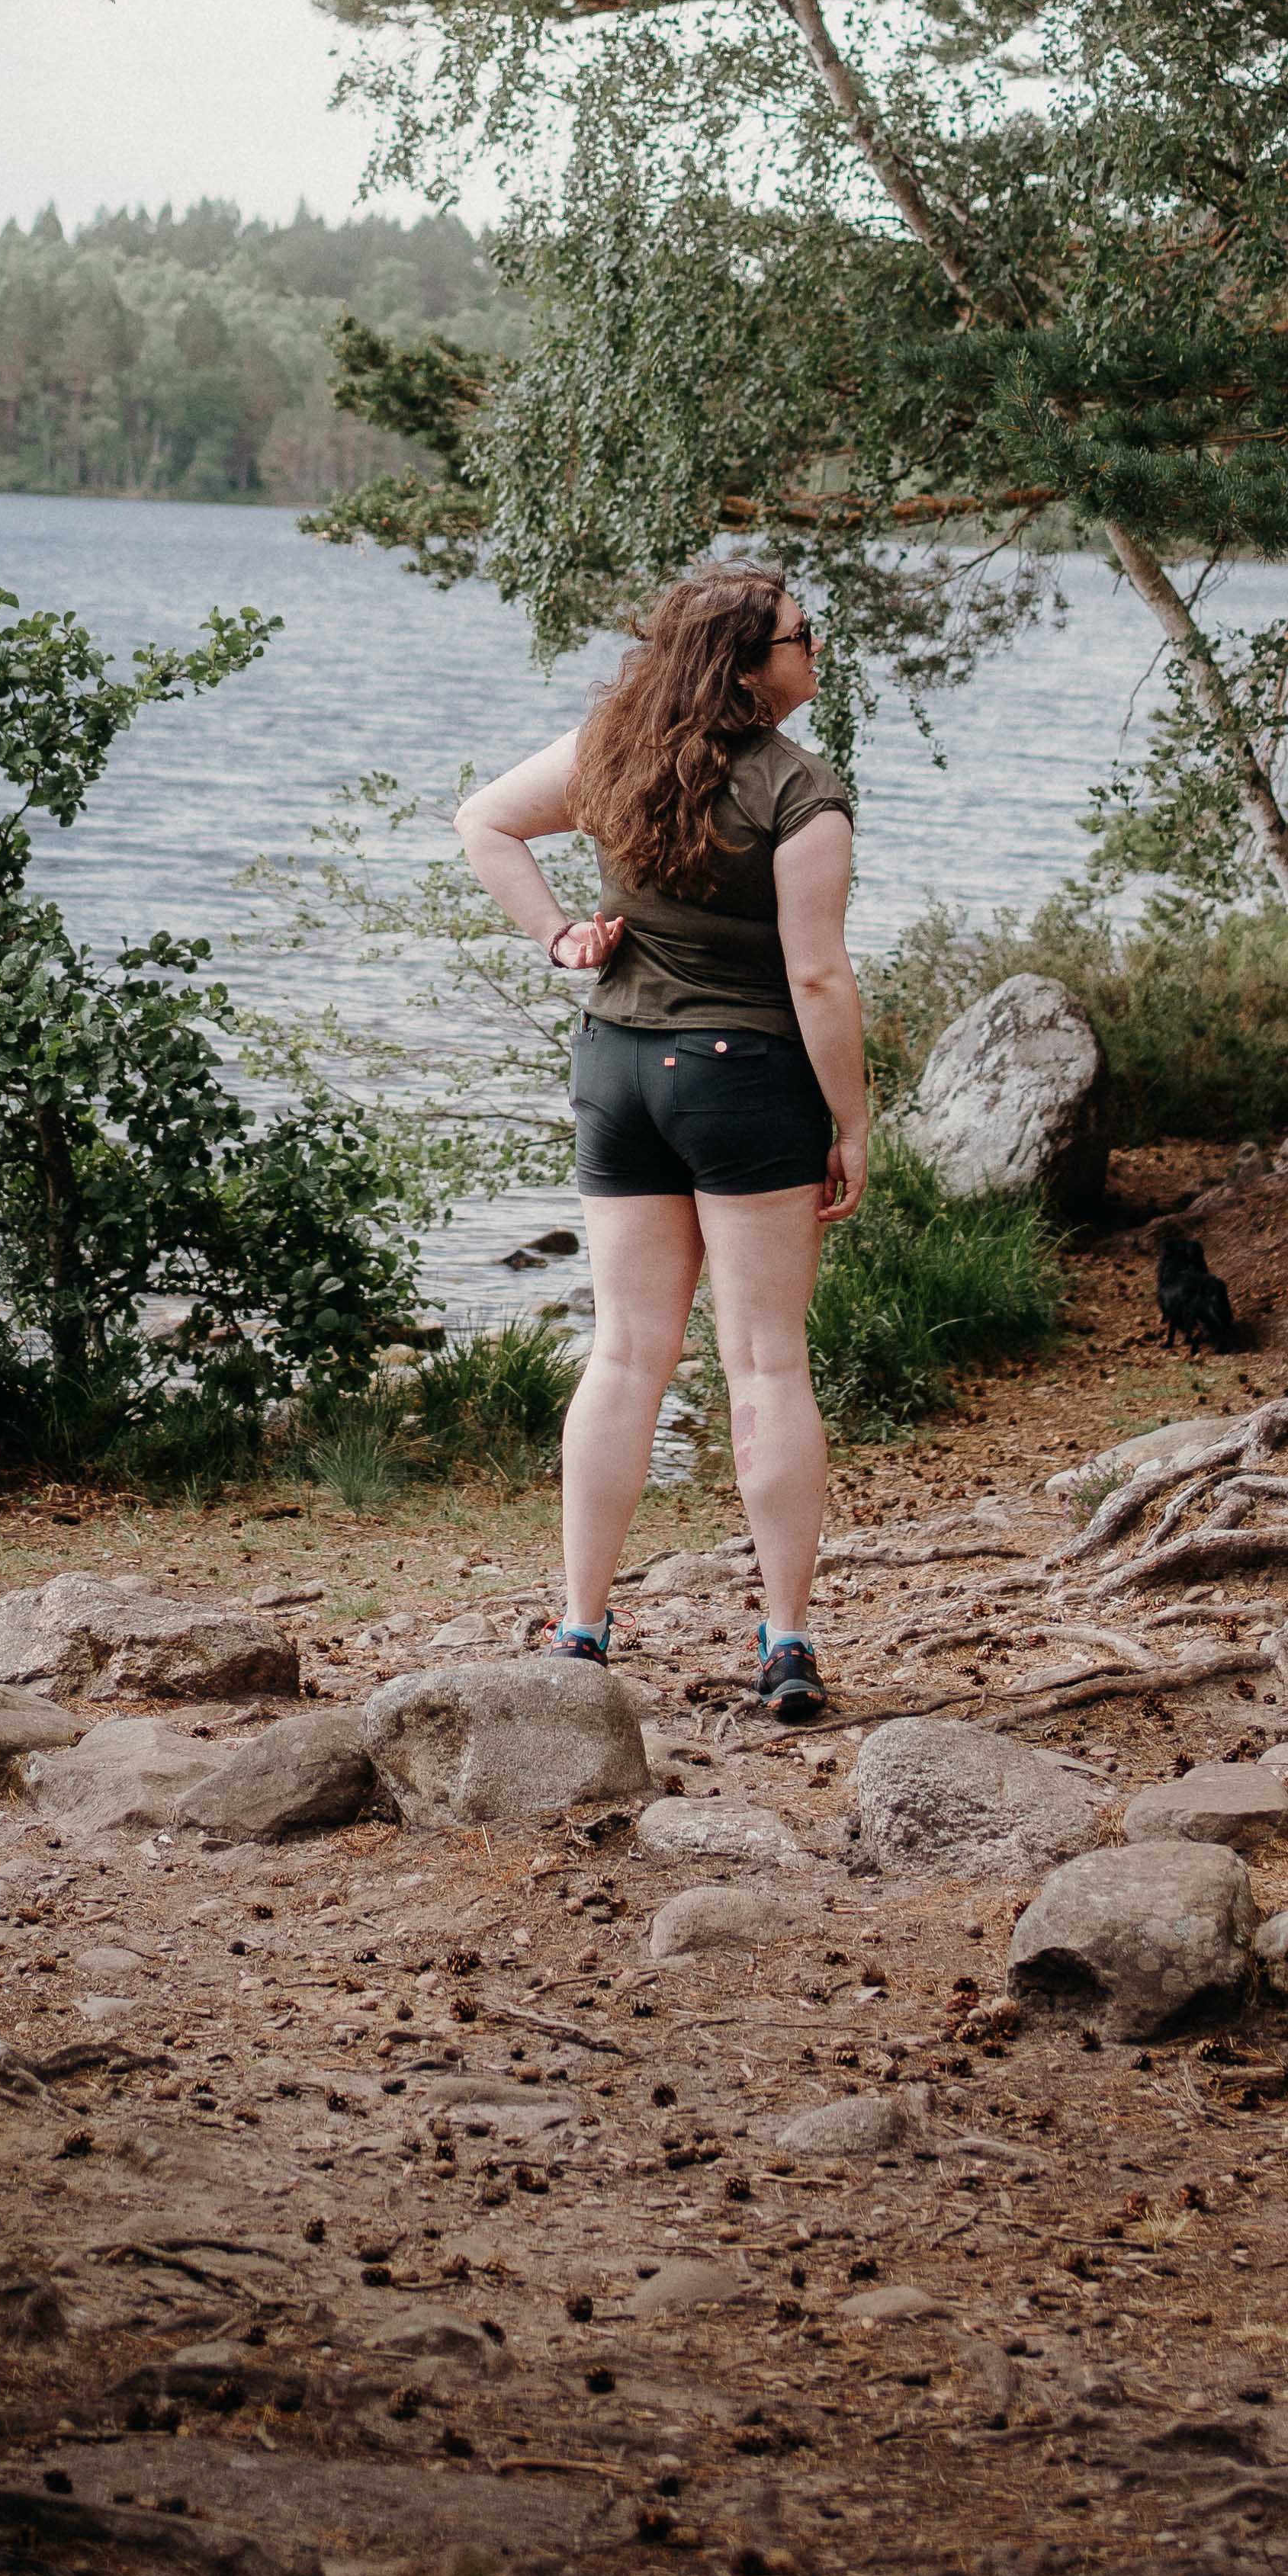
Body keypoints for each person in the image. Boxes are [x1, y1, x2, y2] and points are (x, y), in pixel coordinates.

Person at [454, 563, 869, 1721]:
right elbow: (819, 976)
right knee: (767, 1365)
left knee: (626, 1355)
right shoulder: (801, 793)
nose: (815, 648)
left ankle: (579, 1630)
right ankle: (785, 1643)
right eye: (798, 636)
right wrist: (856, 1123)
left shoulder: (613, 750)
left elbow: (482, 820)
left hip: (617, 1072)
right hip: (744, 1085)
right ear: (746, 667)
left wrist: (558, 940)